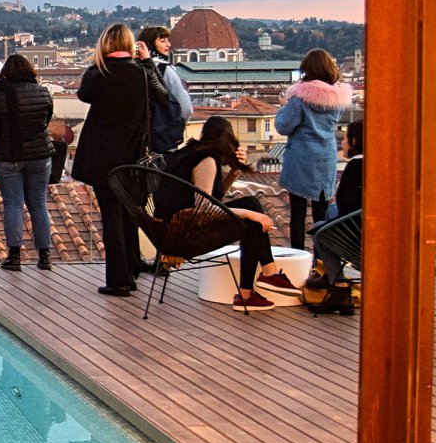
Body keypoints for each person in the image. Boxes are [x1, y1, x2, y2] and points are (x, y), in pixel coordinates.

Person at [71, 24, 169, 297]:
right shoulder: (140, 73)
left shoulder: (97, 74)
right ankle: (131, 270)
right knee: (129, 214)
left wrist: (96, 61)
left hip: (102, 156)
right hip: (134, 156)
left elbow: (83, 95)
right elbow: (163, 97)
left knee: (111, 216)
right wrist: (148, 62)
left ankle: (118, 280)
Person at [161, 116, 299, 309]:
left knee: (250, 211)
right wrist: (249, 214)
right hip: (185, 234)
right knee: (251, 213)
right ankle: (263, 279)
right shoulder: (206, 161)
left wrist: (234, 172)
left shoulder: (189, 153)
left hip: (174, 229)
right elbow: (204, 209)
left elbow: (212, 199)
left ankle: (255, 287)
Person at [274, 49, 352, 251]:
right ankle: (321, 260)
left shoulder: (300, 98)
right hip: (325, 154)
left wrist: (283, 107)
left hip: (300, 155)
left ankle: (298, 255)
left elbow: (284, 126)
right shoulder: (338, 98)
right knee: (321, 211)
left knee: (298, 213)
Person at [0, 54, 54, 271]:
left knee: (13, 204)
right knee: (38, 203)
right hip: (39, 156)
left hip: (8, 155)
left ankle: (14, 256)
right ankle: (44, 256)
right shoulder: (43, 92)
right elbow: (46, 119)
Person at [306, 118, 363, 296]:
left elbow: (347, 205)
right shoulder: (384, 164)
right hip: (384, 238)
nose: (342, 143)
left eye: (345, 138)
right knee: (330, 211)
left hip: (359, 242)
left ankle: (338, 286)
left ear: (354, 141)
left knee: (319, 230)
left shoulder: (355, 166)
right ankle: (330, 275)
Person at [138, 26, 193, 154]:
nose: (168, 44)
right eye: (162, 41)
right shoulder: (164, 69)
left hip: (137, 137)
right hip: (162, 137)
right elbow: (185, 108)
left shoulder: (134, 68)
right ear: (150, 44)